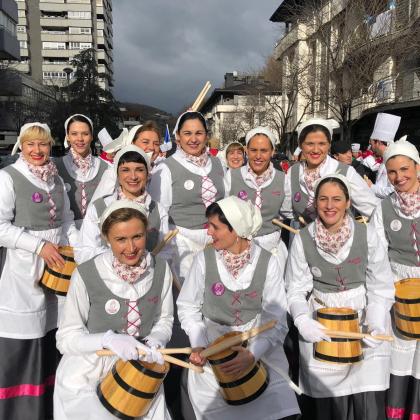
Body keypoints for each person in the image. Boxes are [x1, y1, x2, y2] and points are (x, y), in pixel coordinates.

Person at [177, 196, 300, 420]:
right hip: (213, 345)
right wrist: (199, 344)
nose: (208, 232)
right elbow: (188, 306)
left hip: (258, 343)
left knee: (279, 402)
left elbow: (277, 319)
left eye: (215, 227)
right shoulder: (204, 259)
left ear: (236, 230)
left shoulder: (267, 262)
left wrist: (253, 354)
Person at [286, 174, 394, 420]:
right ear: (315, 203)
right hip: (322, 319)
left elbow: (380, 283)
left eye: (336, 199)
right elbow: (295, 288)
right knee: (329, 401)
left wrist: (376, 319)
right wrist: (302, 319)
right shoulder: (303, 238)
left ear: (348, 202)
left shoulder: (367, 234)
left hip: (362, 315)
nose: (329, 205)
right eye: (323, 199)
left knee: (367, 396)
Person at [54, 200, 174, 419]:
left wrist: (156, 339)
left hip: (141, 374)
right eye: (120, 239)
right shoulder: (86, 274)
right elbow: (65, 339)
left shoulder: (161, 269)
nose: (131, 248)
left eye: (137, 236)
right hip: (89, 372)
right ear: (106, 238)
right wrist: (106, 340)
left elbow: (164, 320)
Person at [0, 123, 77, 419]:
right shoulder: (9, 177)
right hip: (24, 268)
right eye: (30, 144)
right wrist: (38, 246)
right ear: (21, 146)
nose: (37, 150)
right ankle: (19, 410)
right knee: (26, 339)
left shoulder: (55, 179)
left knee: (53, 334)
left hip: (57, 269)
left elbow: (67, 220)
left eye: (43, 144)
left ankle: (48, 407)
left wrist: (79, 251)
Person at [370, 138, 420, 419]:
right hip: (399, 285)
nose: (399, 176)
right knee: (402, 348)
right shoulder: (384, 208)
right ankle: (398, 411)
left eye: (404, 169)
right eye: (392, 171)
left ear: (417, 168)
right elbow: (377, 255)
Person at [149, 111, 225, 285]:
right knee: (188, 293)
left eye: (199, 133)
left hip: (216, 241)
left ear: (206, 135)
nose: (193, 139)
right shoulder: (166, 168)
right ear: (178, 136)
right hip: (183, 244)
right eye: (187, 133)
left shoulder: (218, 164)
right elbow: (159, 213)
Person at [76, 145, 169, 264]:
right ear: (117, 175)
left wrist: (148, 262)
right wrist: (119, 257)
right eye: (125, 170)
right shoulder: (99, 208)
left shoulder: (158, 211)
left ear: (147, 174)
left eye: (139, 170)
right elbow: (83, 252)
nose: (133, 176)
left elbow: (167, 252)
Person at [284, 118, 379, 224]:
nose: (316, 150)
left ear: (329, 145)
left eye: (322, 144)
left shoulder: (346, 172)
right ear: (301, 145)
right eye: (310, 144)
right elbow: (286, 209)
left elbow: (373, 209)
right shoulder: (293, 172)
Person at [225, 127, 288, 262]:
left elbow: (287, 212)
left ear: (272, 152)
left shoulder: (283, 179)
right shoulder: (232, 176)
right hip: (239, 248)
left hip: (272, 249)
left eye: (264, 151)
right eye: (253, 150)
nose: (258, 156)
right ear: (246, 150)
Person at [55, 114, 108, 228]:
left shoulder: (105, 167)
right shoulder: (55, 166)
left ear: (91, 136)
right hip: (65, 233)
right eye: (74, 134)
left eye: (85, 133)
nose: (80, 139)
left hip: (98, 232)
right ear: (67, 136)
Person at [365, 112, 401, 198]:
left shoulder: (394, 159)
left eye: (371, 144)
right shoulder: (385, 158)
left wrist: (371, 186)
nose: (371, 148)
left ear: (378, 142)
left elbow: (394, 192)